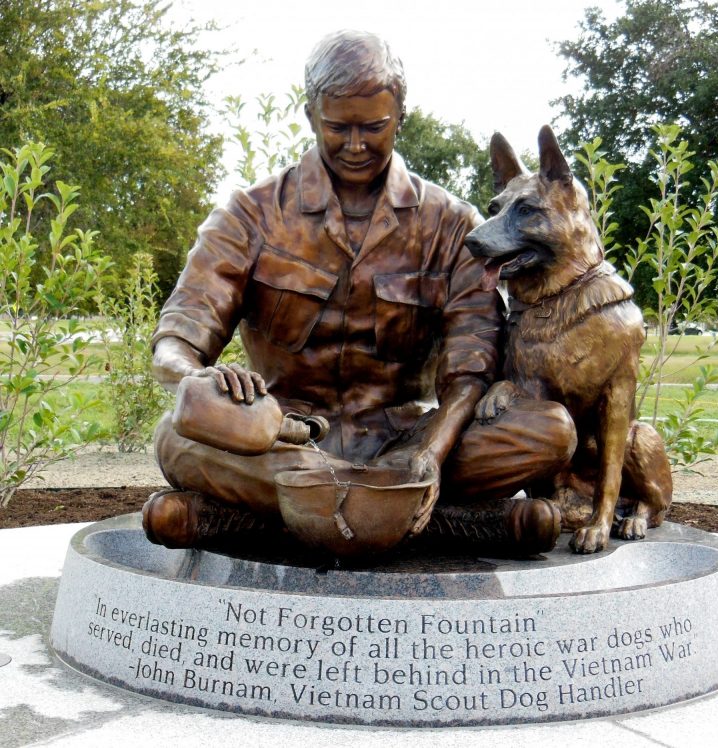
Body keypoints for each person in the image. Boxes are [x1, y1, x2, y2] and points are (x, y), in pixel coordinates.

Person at [143, 30, 576, 555]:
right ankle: (435, 521)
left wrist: (431, 455)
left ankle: (286, 518)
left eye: (373, 127)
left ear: (400, 117)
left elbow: (471, 372)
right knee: (178, 437)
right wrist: (200, 381)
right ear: (309, 116)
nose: (355, 145)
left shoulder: (451, 224)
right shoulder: (251, 213)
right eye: (337, 127)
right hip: (282, 443)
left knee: (549, 430)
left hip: (406, 445)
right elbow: (178, 336)